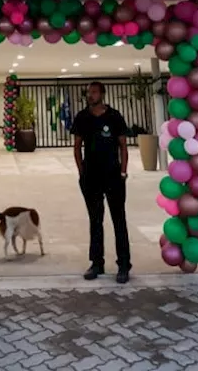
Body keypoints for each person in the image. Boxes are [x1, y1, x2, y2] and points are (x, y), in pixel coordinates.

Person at [71, 80, 132, 284]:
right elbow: (77, 146)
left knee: (118, 219)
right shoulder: (82, 117)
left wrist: (123, 172)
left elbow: (123, 146)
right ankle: (97, 263)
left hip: (113, 176)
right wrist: (82, 172)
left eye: (94, 92)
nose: (91, 95)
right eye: (89, 92)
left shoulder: (114, 117)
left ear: (102, 94)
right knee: (95, 220)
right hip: (91, 177)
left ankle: (123, 264)